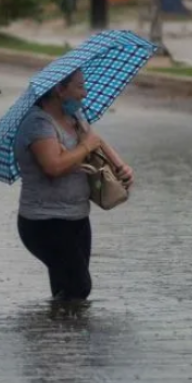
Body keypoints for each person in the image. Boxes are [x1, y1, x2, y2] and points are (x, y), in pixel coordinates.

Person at [13, 70, 134, 302]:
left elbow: (95, 140)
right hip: (44, 222)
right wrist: (85, 147)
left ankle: (60, 334)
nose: (84, 93)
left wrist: (121, 166)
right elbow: (53, 167)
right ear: (59, 90)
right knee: (79, 286)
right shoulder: (38, 123)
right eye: (79, 87)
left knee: (68, 290)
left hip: (77, 218)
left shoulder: (75, 116)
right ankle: (63, 334)